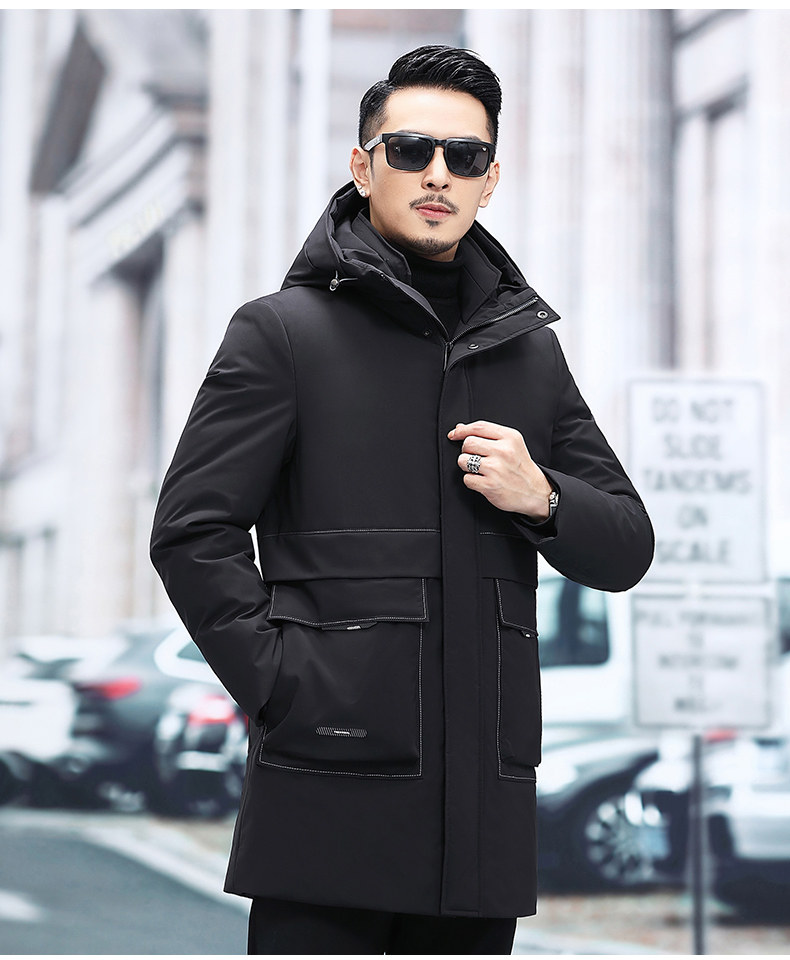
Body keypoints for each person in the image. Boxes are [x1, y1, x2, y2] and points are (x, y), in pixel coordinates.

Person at [150, 44, 654, 955]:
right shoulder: (283, 334)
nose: (437, 174)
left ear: (490, 180)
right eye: (411, 150)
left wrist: (542, 497)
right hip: (326, 796)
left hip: (481, 822)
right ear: (363, 165)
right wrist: (286, 688)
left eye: (465, 156)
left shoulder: (527, 353)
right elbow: (192, 533)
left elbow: (626, 545)